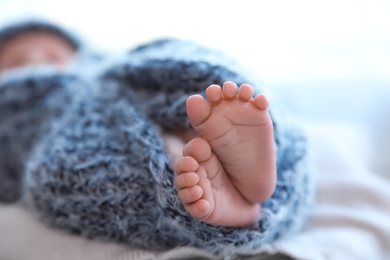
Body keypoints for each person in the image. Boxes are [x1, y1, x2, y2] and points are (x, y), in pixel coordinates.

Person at [0, 20, 313, 257]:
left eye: (50, 54)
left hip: (132, 97)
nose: (33, 62)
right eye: (14, 63)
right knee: (70, 173)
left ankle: (217, 154)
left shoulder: (107, 68)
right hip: (78, 128)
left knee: (187, 93)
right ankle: (221, 193)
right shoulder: (12, 106)